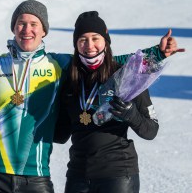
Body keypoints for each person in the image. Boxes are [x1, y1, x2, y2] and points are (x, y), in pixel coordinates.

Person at [0, 0, 183, 193]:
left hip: (37, 176)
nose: (27, 28)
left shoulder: (60, 65)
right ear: (13, 28)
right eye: (21, 22)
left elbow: (106, 58)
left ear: (44, 30)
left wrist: (157, 53)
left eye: (34, 23)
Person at [53, 11, 185, 193]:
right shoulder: (70, 82)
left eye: (95, 38)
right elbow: (60, 135)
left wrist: (131, 114)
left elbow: (151, 131)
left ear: (106, 41)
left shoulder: (126, 76)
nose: (89, 45)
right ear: (76, 44)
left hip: (117, 176)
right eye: (82, 39)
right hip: (78, 176)